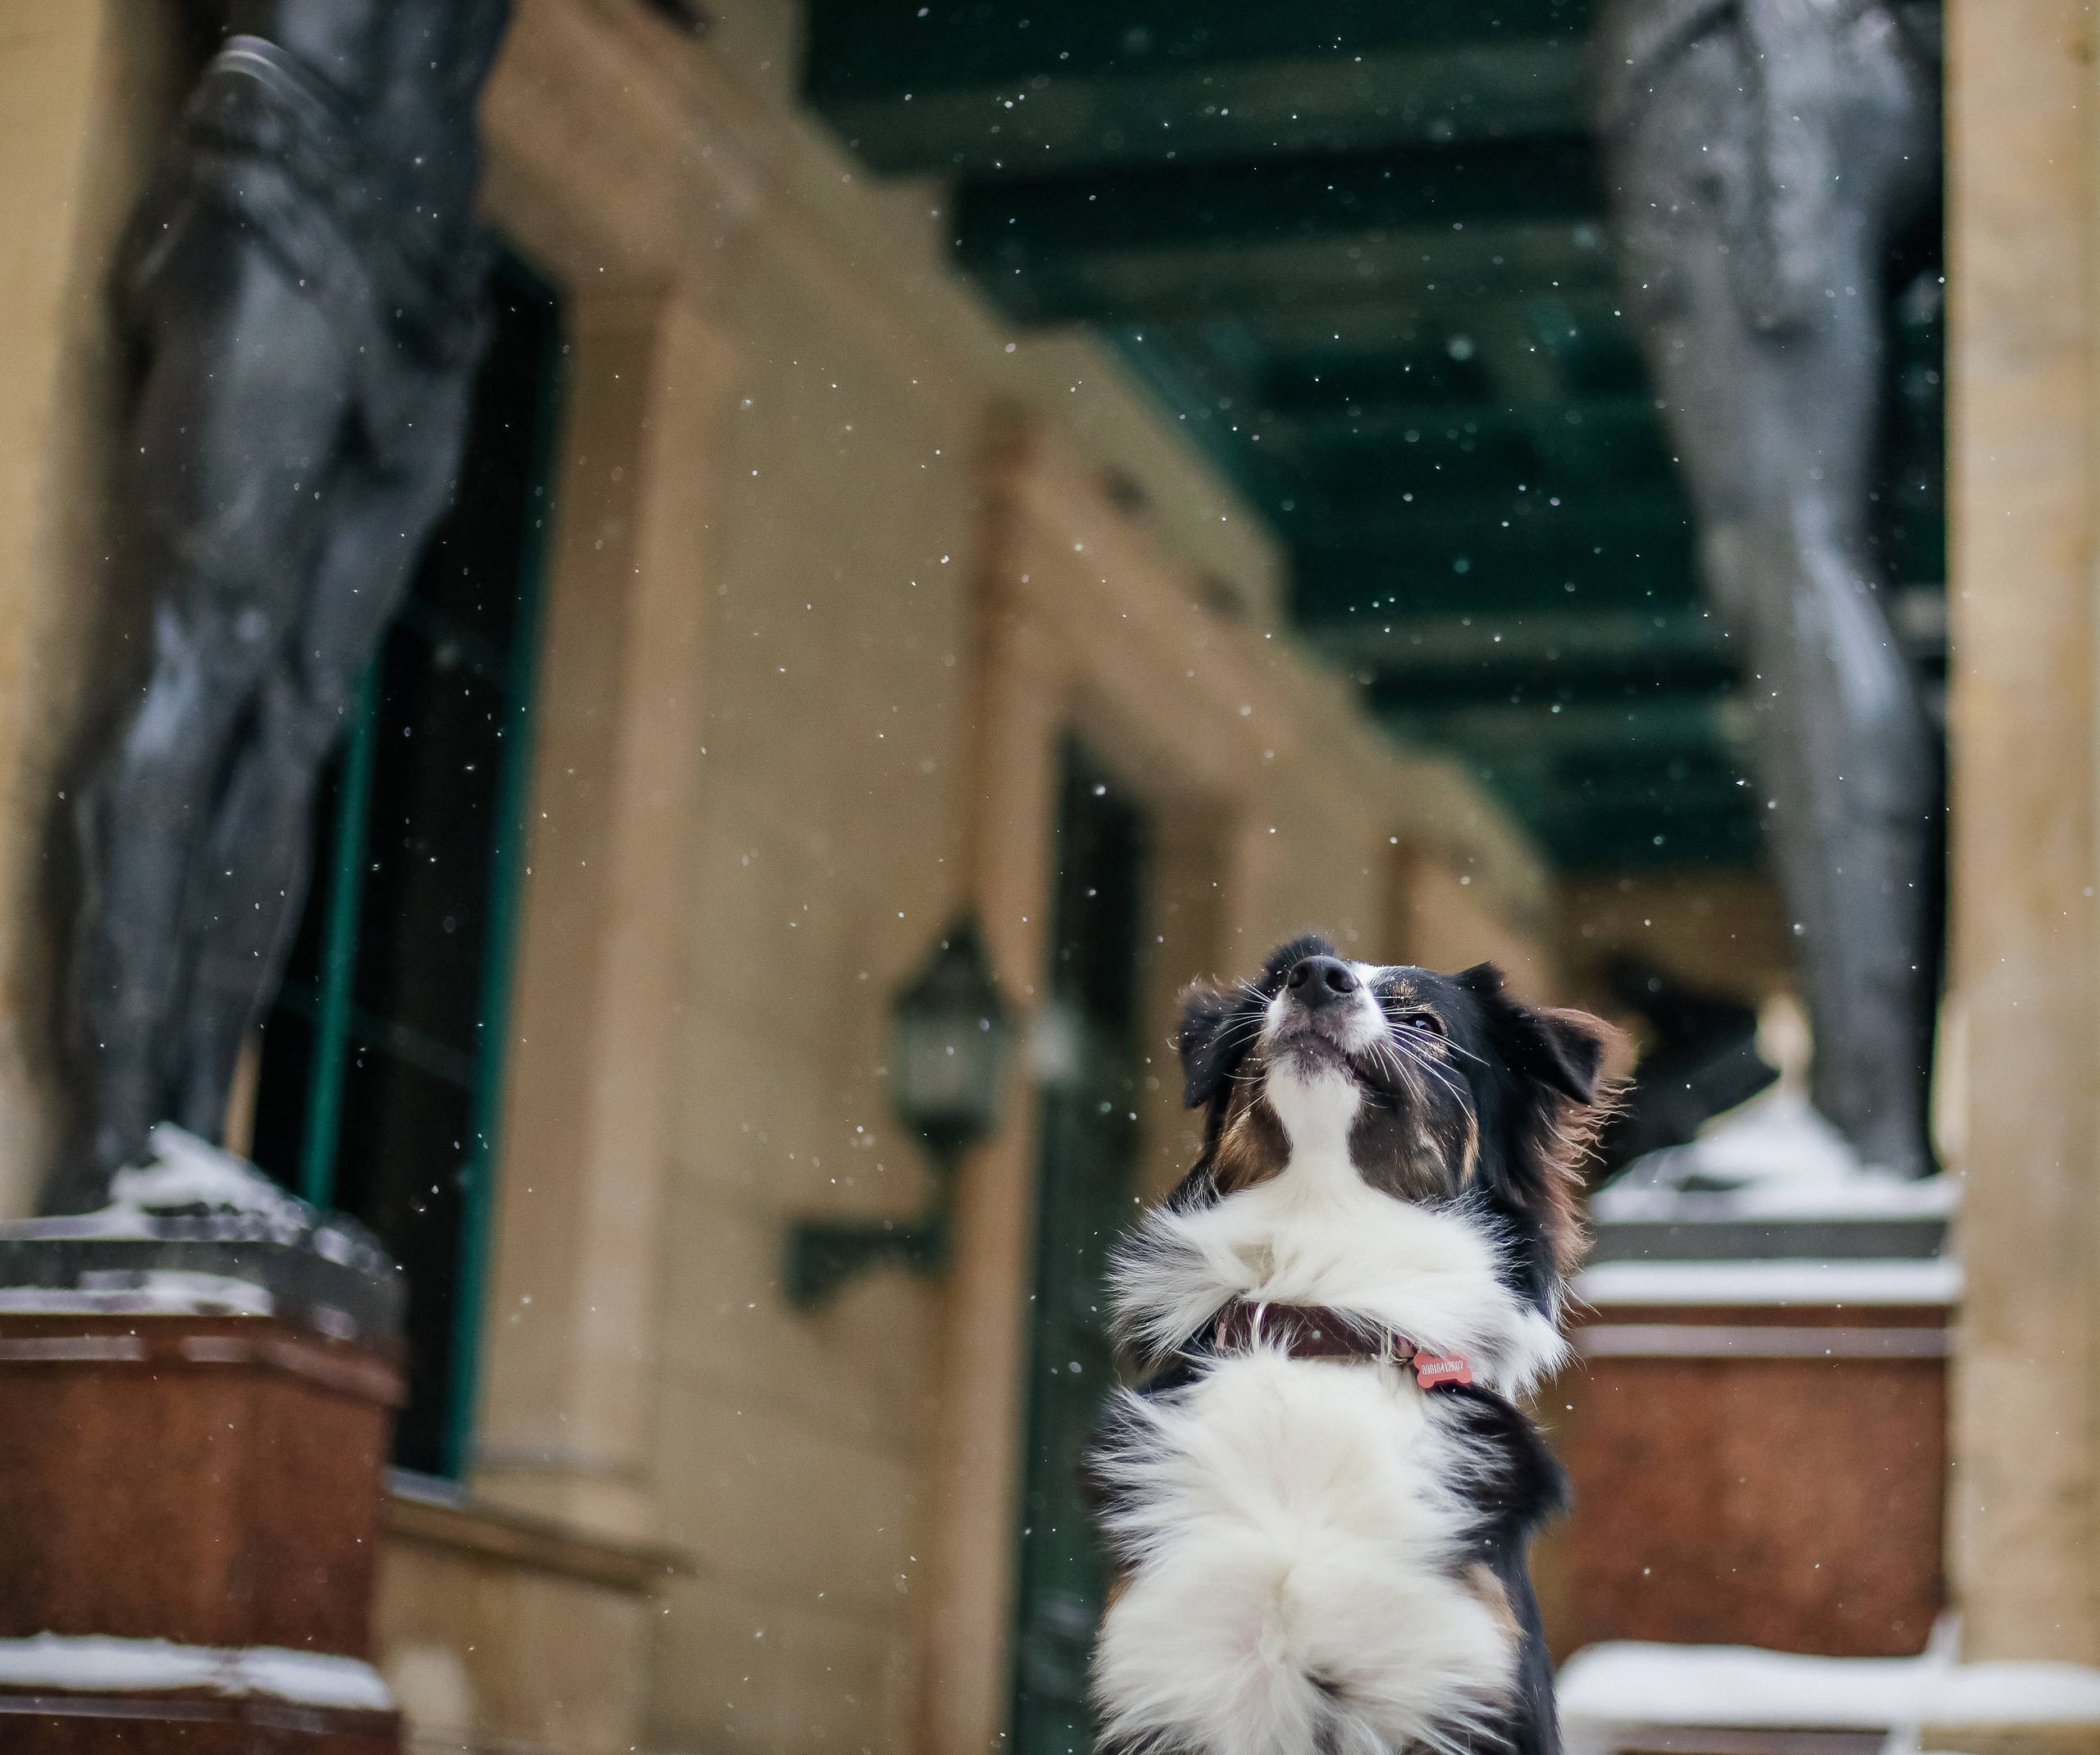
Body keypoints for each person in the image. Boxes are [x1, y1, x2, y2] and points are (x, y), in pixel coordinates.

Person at [48, 1, 512, 1212]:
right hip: (286, 160)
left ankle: (194, 1130)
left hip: (427, 271)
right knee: (196, 657)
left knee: (297, 722)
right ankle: (112, 1138)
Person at [1598, 0, 1942, 1178]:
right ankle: (1867, 1109)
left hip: (1748, 69)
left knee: (1792, 563)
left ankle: (1865, 1119)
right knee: (1819, 560)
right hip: (1803, 67)